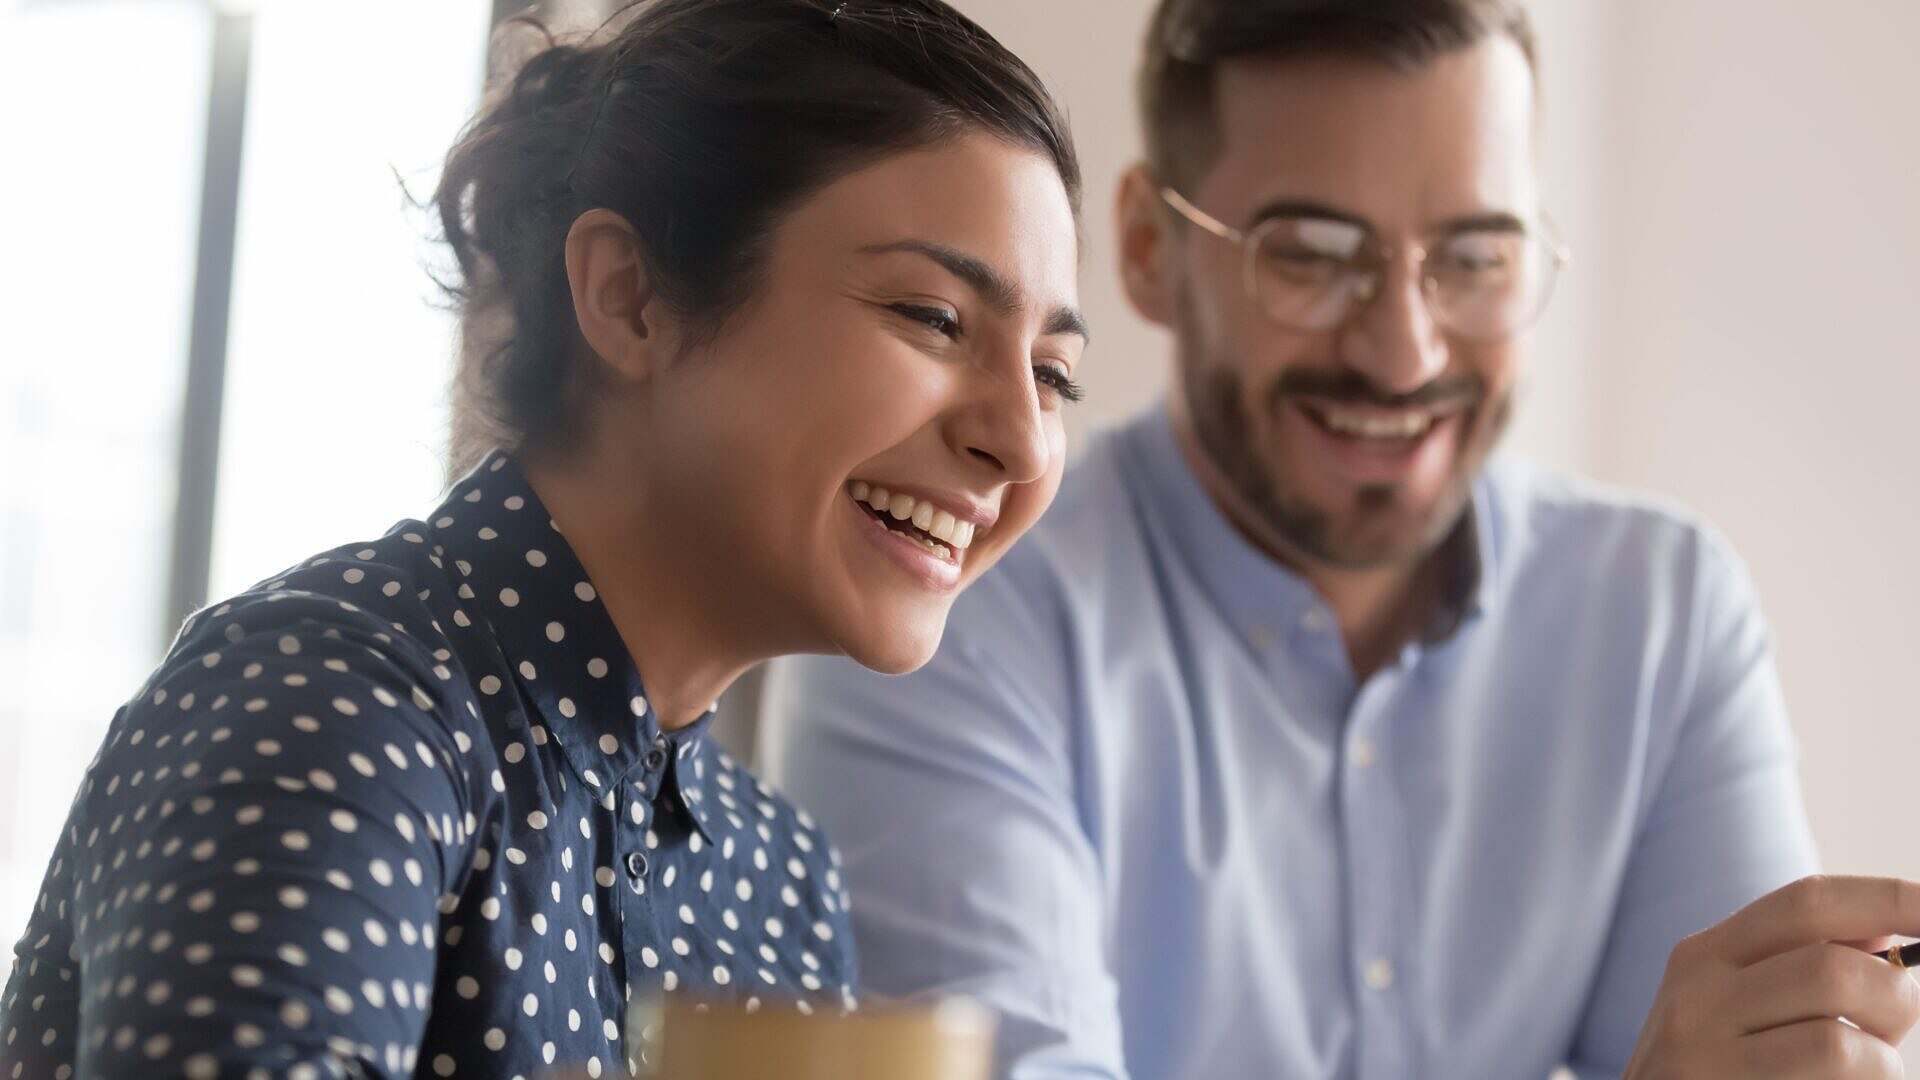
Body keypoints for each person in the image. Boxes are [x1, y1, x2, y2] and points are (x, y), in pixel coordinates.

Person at [761, 1, 1920, 1077]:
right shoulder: (941, 598)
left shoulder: (1662, 613)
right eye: (1312, 254)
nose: (1403, 354)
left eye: (1472, 259)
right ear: (1151, 251)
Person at [0, 1, 1089, 1076]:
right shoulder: (335, 703)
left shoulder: (779, 880)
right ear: (629, 299)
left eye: (1053, 374)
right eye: (936, 318)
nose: (1024, 445)